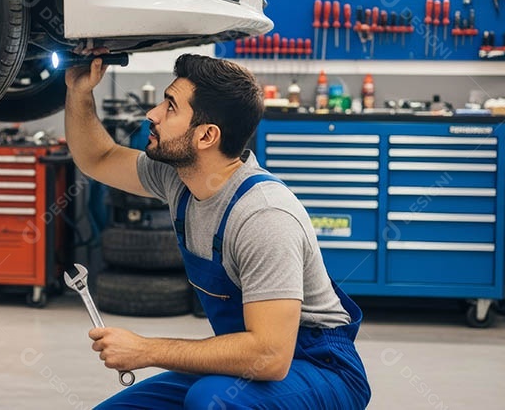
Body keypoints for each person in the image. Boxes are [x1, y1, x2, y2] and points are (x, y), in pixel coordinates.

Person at [64, 53, 371, 409]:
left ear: (207, 135)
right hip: (247, 363)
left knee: (211, 401)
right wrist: (79, 91)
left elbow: (270, 355)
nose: (153, 114)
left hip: (319, 369)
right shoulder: (177, 178)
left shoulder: (263, 216)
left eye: (171, 106)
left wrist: (146, 350)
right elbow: (97, 158)